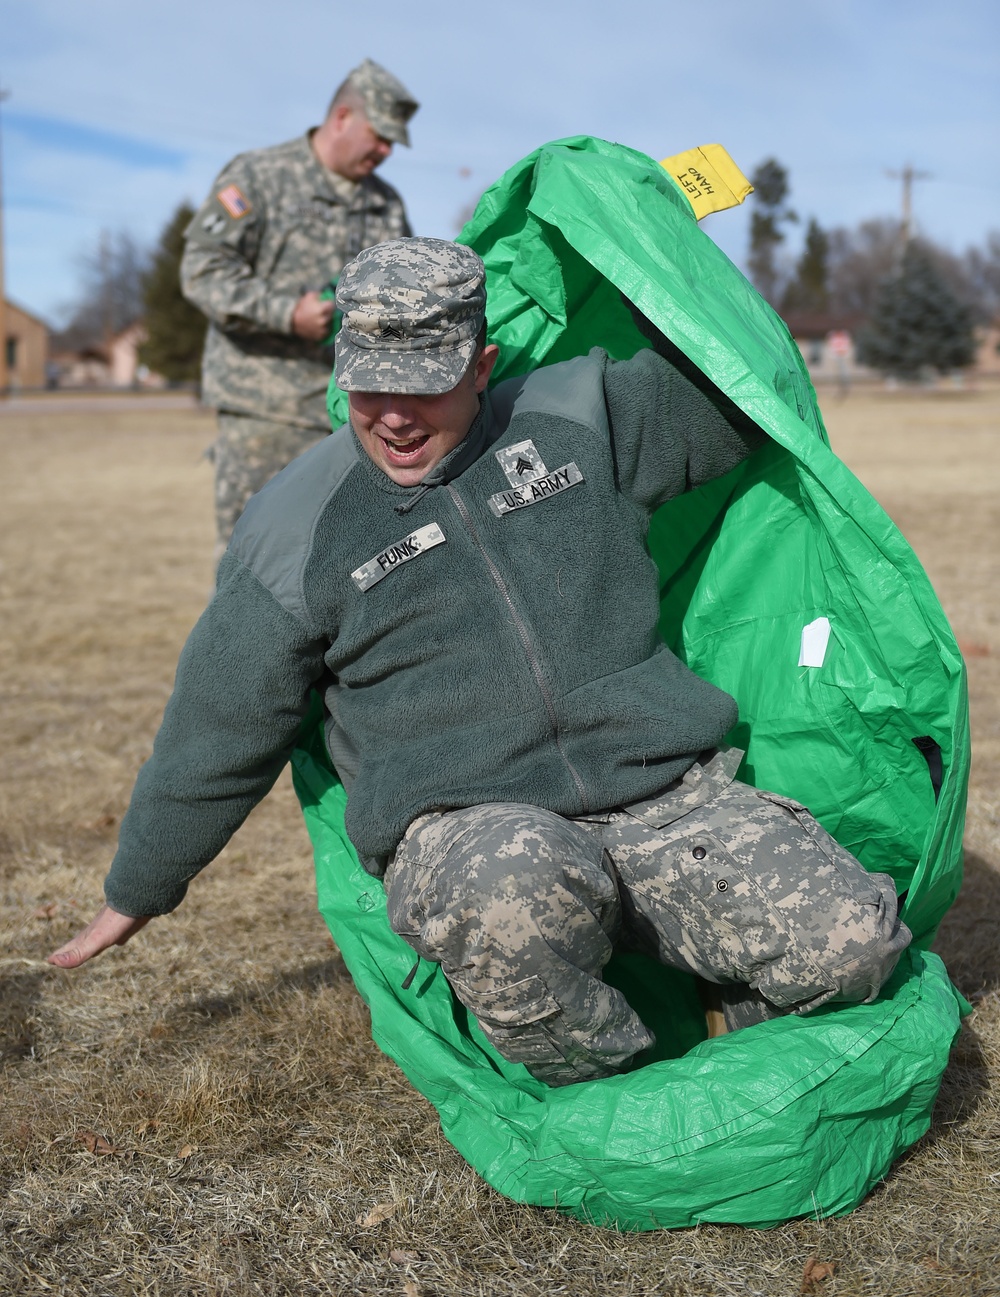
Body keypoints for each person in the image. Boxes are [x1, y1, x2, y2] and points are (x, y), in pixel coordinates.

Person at [49, 238, 910, 1086]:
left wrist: (646, 243)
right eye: (368, 383)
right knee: (510, 886)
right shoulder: (295, 526)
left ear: (480, 366)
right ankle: (613, 1086)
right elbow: (220, 721)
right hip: (472, 829)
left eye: (422, 385)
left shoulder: (580, 416)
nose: (392, 414)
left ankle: (728, 1012)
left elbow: (738, 390)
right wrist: (140, 884)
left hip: (662, 800)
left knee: (857, 942)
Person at [181, 58, 418, 558]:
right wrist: (284, 313)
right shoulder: (259, 176)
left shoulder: (386, 204)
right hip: (266, 411)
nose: (385, 151)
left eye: (393, 143)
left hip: (353, 415)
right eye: (379, 136)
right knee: (258, 562)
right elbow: (202, 268)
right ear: (342, 117)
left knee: (344, 562)